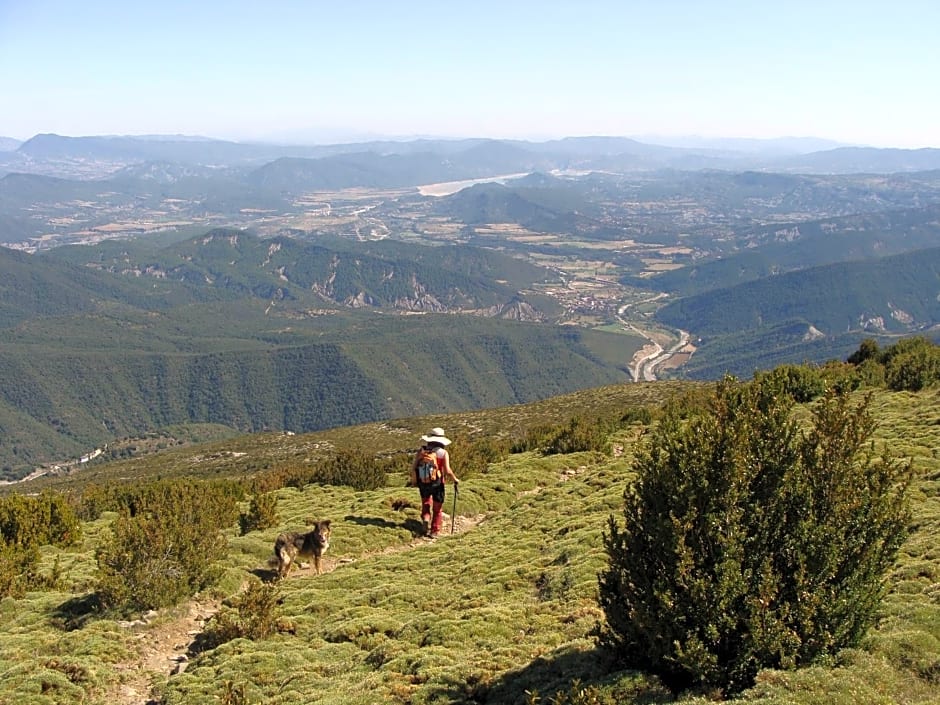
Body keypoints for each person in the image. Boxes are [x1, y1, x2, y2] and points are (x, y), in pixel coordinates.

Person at [410, 427, 459, 537]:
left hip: (423, 482)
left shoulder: (422, 451)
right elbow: (447, 470)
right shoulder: (443, 453)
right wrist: (455, 479)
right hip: (437, 483)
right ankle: (435, 531)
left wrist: (414, 481)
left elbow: (413, 467)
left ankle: (426, 519)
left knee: (426, 503)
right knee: (437, 508)